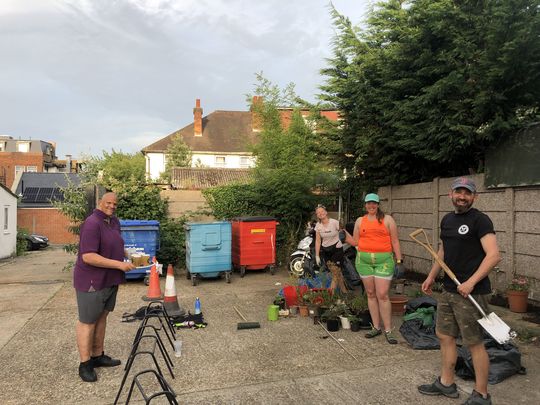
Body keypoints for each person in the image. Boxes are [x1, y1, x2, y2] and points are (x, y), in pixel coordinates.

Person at [418, 177, 500, 405]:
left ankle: (481, 394)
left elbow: (494, 255)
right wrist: (432, 275)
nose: (462, 196)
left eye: (467, 193)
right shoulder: (447, 220)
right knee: (444, 336)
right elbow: (443, 251)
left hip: (471, 292)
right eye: (458, 192)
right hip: (448, 290)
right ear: (450, 195)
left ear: (474, 197)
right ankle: (446, 383)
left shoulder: (480, 221)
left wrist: (471, 282)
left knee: (474, 342)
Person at [74, 192, 136, 382]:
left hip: (110, 279)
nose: (112, 206)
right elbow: (88, 256)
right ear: (100, 202)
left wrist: (129, 253)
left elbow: (114, 243)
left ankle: (97, 355)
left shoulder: (113, 221)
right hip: (92, 281)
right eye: (108, 203)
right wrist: (119, 265)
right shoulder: (92, 223)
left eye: (115, 204)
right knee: (88, 321)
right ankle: (85, 364)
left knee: (101, 317)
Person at [346, 193, 404, 344]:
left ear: (378, 205)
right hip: (364, 261)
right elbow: (355, 241)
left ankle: (388, 330)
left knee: (383, 294)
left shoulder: (388, 220)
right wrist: (343, 235)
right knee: (370, 294)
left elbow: (395, 241)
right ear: (365, 205)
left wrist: (399, 261)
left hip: (383, 261)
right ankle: (376, 327)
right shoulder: (360, 221)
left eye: (374, 203)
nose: (371, 206)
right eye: (368, 203)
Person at [314, 204, 344, 269]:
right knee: (329, 269)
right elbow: (318, 241)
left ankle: (339, 279)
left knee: (336, 270)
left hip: (336, 249)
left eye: (322, 211)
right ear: (317, 215)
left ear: (326, 212)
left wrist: (355, 243)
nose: (320, 213)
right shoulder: (318, 225)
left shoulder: (334, 222)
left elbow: (344, 232)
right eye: (318, 213)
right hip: (326, 250)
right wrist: (317, 256)